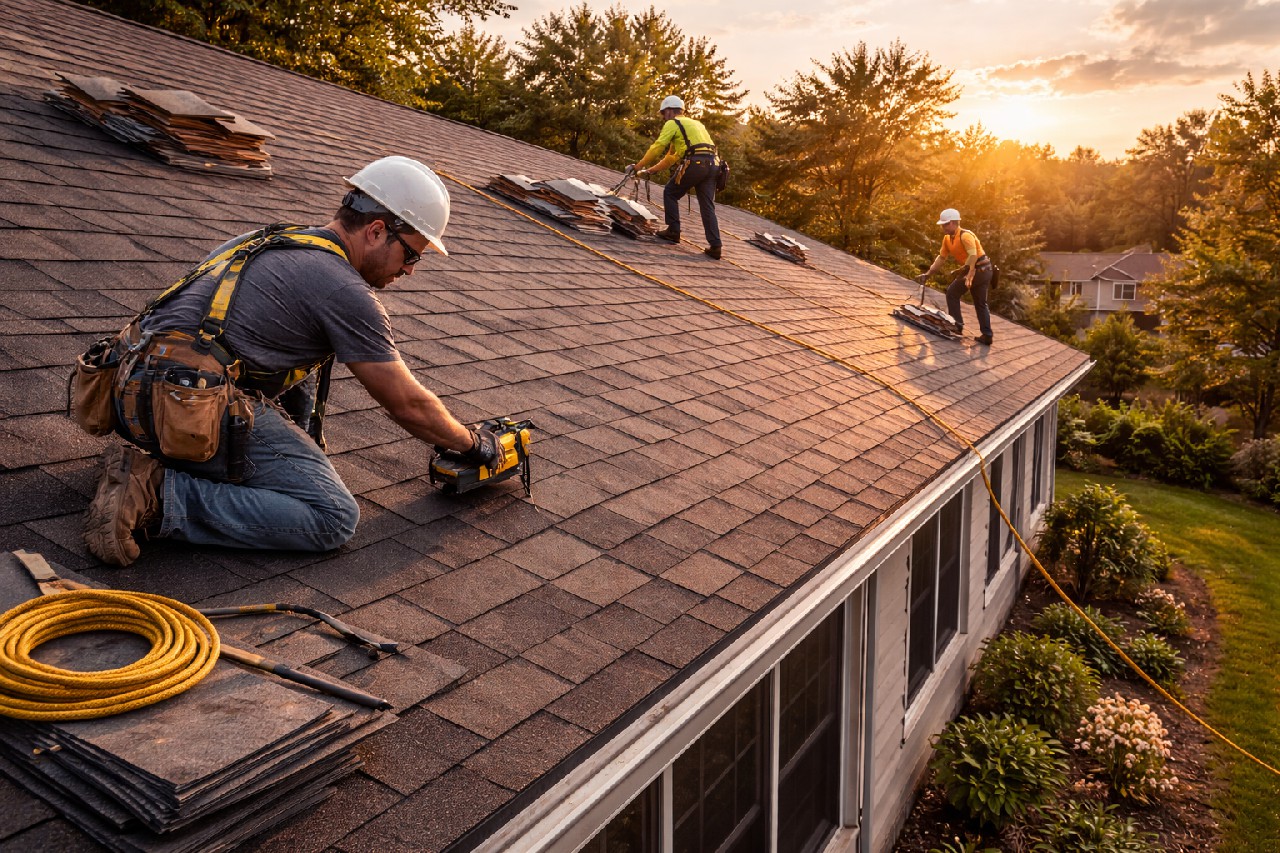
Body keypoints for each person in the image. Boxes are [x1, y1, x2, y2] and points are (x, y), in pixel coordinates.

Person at [83, 156, 500, 566]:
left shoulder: (269, 239)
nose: (410, 271)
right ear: (376, 231)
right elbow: (406, 403)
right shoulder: (344, 290)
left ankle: (160, 464)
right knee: (332, 517)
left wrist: (300, 443)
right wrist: (472, 444)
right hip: (184, 406)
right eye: (412, 255)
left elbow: (280, 358)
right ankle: (155, 493)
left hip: (124, 389)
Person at [630, 95, 723, 260]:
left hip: (696, 163)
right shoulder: (696, 124)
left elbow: (657, 147)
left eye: (663, 114)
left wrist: (637, 166)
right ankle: (715, 246)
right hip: (714, 166)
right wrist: (650, 170)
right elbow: (671, 157)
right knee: (707, 205)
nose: (663, 117)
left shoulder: (673, 123)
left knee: (670, 192)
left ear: (669, 111)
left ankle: (673, 231)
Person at [915, 208, 995, 345]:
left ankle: (957, 326)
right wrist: (928, 274)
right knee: (980, 303)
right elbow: (941, 258)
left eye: (945, 224)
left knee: (952, 293)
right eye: (942, 224)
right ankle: (987, 335)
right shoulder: (947, 239)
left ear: (953, 223)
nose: (943, 227)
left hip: (980, 270)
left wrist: (965, 272)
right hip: (982, 270)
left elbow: (973, 255)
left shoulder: (965, 235)